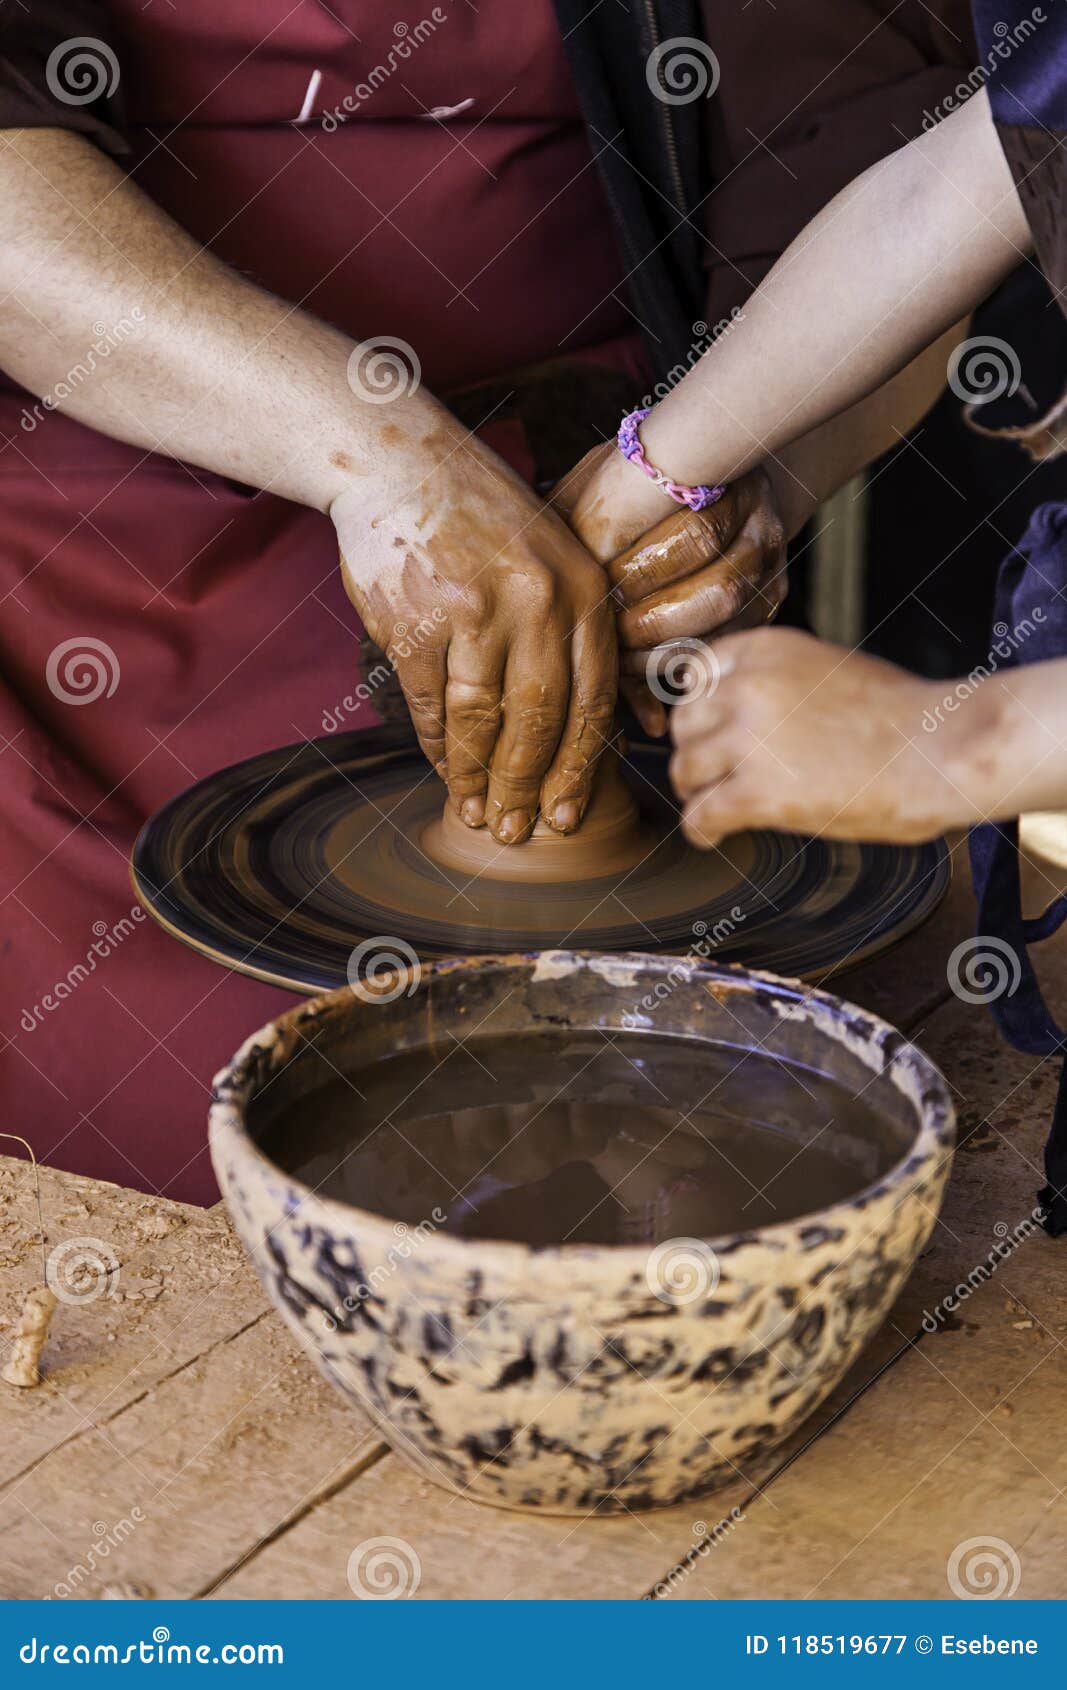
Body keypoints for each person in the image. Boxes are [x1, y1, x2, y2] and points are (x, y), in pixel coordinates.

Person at [0, 3, 978, 1200]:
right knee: (217, 1126)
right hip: (107, 523)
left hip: (610, 476)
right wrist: (369, 446)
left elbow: (917, 180)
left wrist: (746, 469)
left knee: (736, 1119)